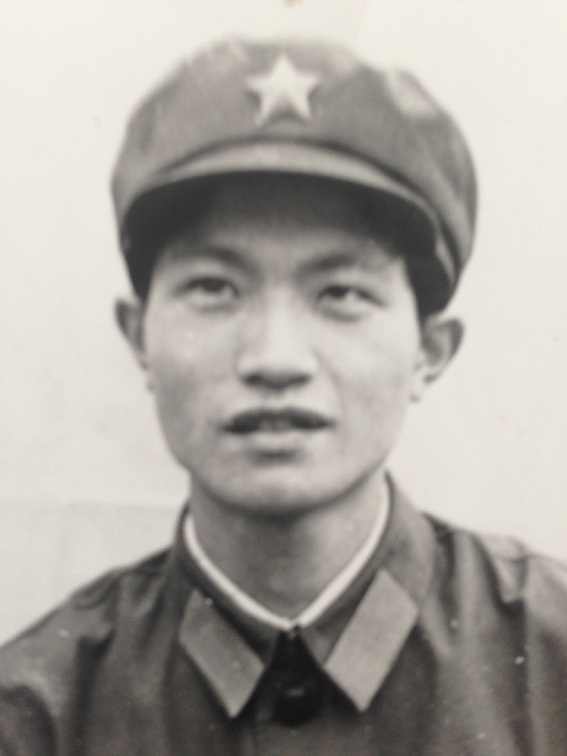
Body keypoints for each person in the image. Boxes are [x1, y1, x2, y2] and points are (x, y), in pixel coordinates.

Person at [0, 38, 566, 756]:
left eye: (341, 293)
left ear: (429, 350)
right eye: (214, 288)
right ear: (139, 337)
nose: (274, 359)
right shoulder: (34, 717)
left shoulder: (548, 663)